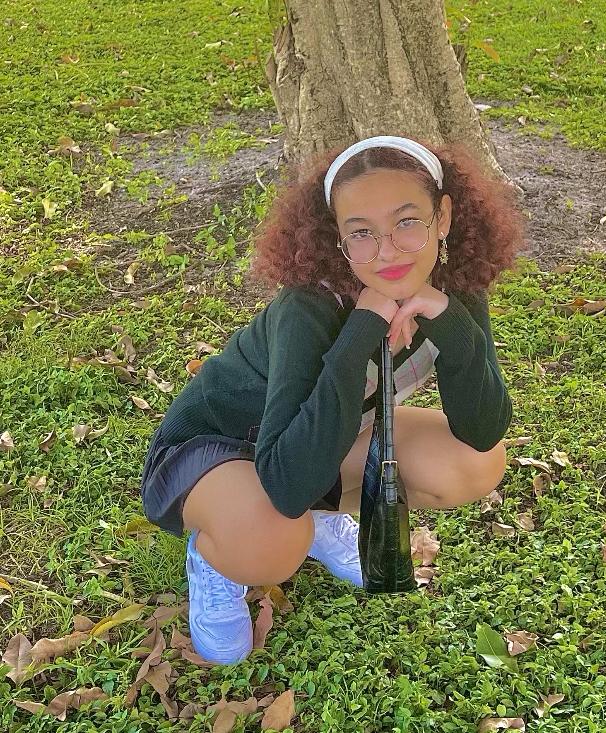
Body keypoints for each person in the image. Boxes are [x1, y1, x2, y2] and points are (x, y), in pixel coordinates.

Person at [139, 135, 523, 664]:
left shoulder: (453, 289)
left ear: (444, 217)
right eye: (361, 232)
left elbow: (482, 428)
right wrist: (361, 329)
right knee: (272, 537)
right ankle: (216, 557)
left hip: (307, 441)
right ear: (337, 239)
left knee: (474, 462)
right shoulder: (309, 308)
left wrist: (450, 320)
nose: (387, 251)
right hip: (215, 448)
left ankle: (317, 522)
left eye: (407, 222)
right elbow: (286, 483)